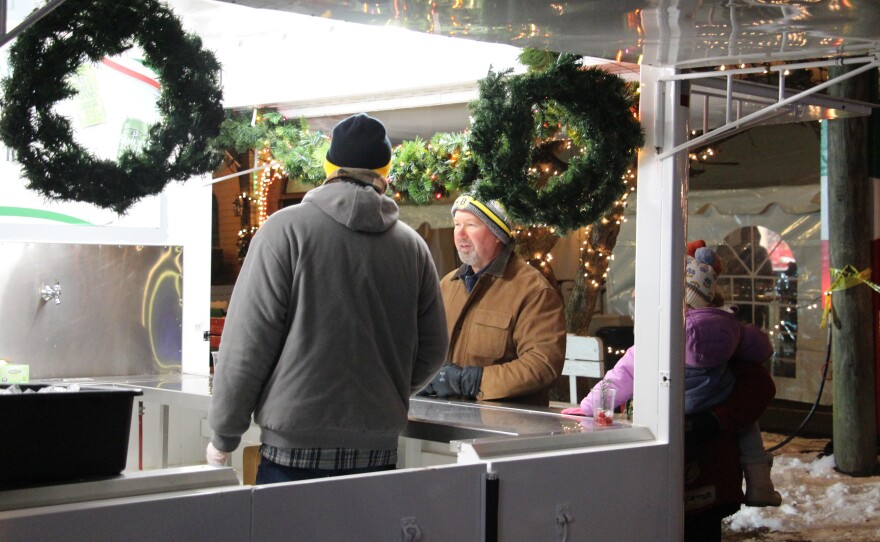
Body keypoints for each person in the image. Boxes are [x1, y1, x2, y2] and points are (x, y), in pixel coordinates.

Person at [206, 113, 449, 483]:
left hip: (291, 451)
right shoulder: (412, 247)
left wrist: (224, 436)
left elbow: (246, 345)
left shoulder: (283, 232)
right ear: (385, 169)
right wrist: (382, 386)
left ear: (328, 165)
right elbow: (433, 349)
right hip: (376, 452)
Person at [563, 241, 781, 507]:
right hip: (717, 458)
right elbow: (760, 354)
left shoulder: (655, 345)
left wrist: (587, 407)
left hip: (670, 446)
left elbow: (621, 377)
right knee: (749, 430)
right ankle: (760, 484)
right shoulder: (731, 334)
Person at [418, 194, 567, 405]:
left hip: (506, 426)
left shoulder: (533, 292)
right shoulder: (447, 285)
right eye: (456, 224)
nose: (460, 234)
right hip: (447, 421)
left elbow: (542, 365)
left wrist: (472, 381)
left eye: (471, 225)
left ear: (498, 234)